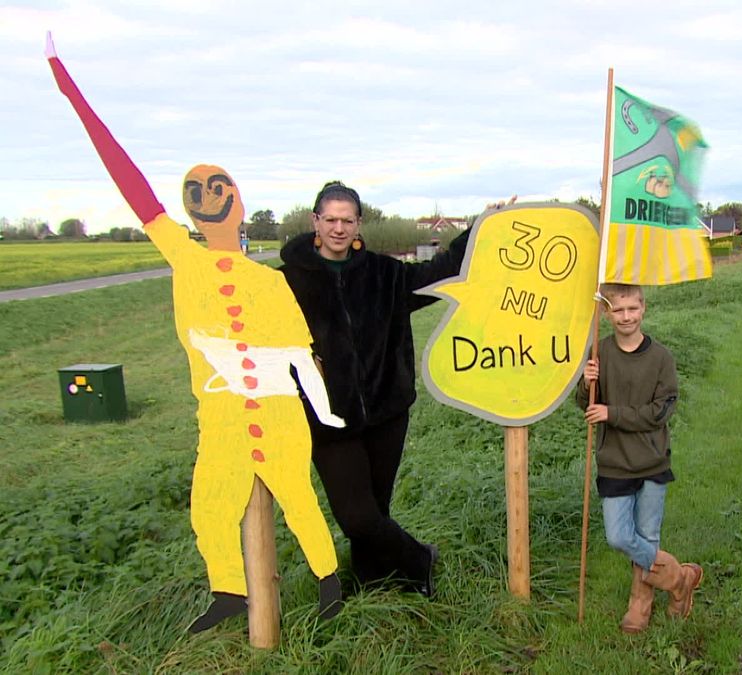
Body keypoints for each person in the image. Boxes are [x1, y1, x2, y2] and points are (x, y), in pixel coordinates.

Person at [47, 39, 344, 633]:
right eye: (198, 194)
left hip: (279, 411)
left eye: (218, 190)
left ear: (238, 205)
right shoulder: (186, 260)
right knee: (210, 506)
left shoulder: (269, 282)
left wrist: (323, 409)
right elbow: (134, 189)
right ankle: (229, 591)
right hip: (222, 415)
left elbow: (299, 352)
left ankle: (328, 583)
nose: (208, 199)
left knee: (299, 498)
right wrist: (71, 92)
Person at [279, 182, 486, 596]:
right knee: (356, 516)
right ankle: (418, 559)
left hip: (387, 412)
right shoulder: (284, 283)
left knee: (376, 508)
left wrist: (481, 226)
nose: (339, 228)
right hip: (325, 416)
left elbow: (440, 270)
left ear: (359, 224)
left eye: (348, 220)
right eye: (331, 219)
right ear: (315, 221)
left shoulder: (385, 274)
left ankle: (371, 583)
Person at [576, 283, 703, 634]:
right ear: (606, 313)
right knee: (619, 536)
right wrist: (587, 385)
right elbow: (586, 408)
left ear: (643, 308)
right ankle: (680, 577)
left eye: (633, 308)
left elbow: (659, 412)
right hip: (614, 462)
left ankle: (640, 603)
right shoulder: (598, 352)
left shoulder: (661, 358)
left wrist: (612, 413)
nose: (626, 316)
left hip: (651, 462)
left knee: (648, 534)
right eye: (618, 310)